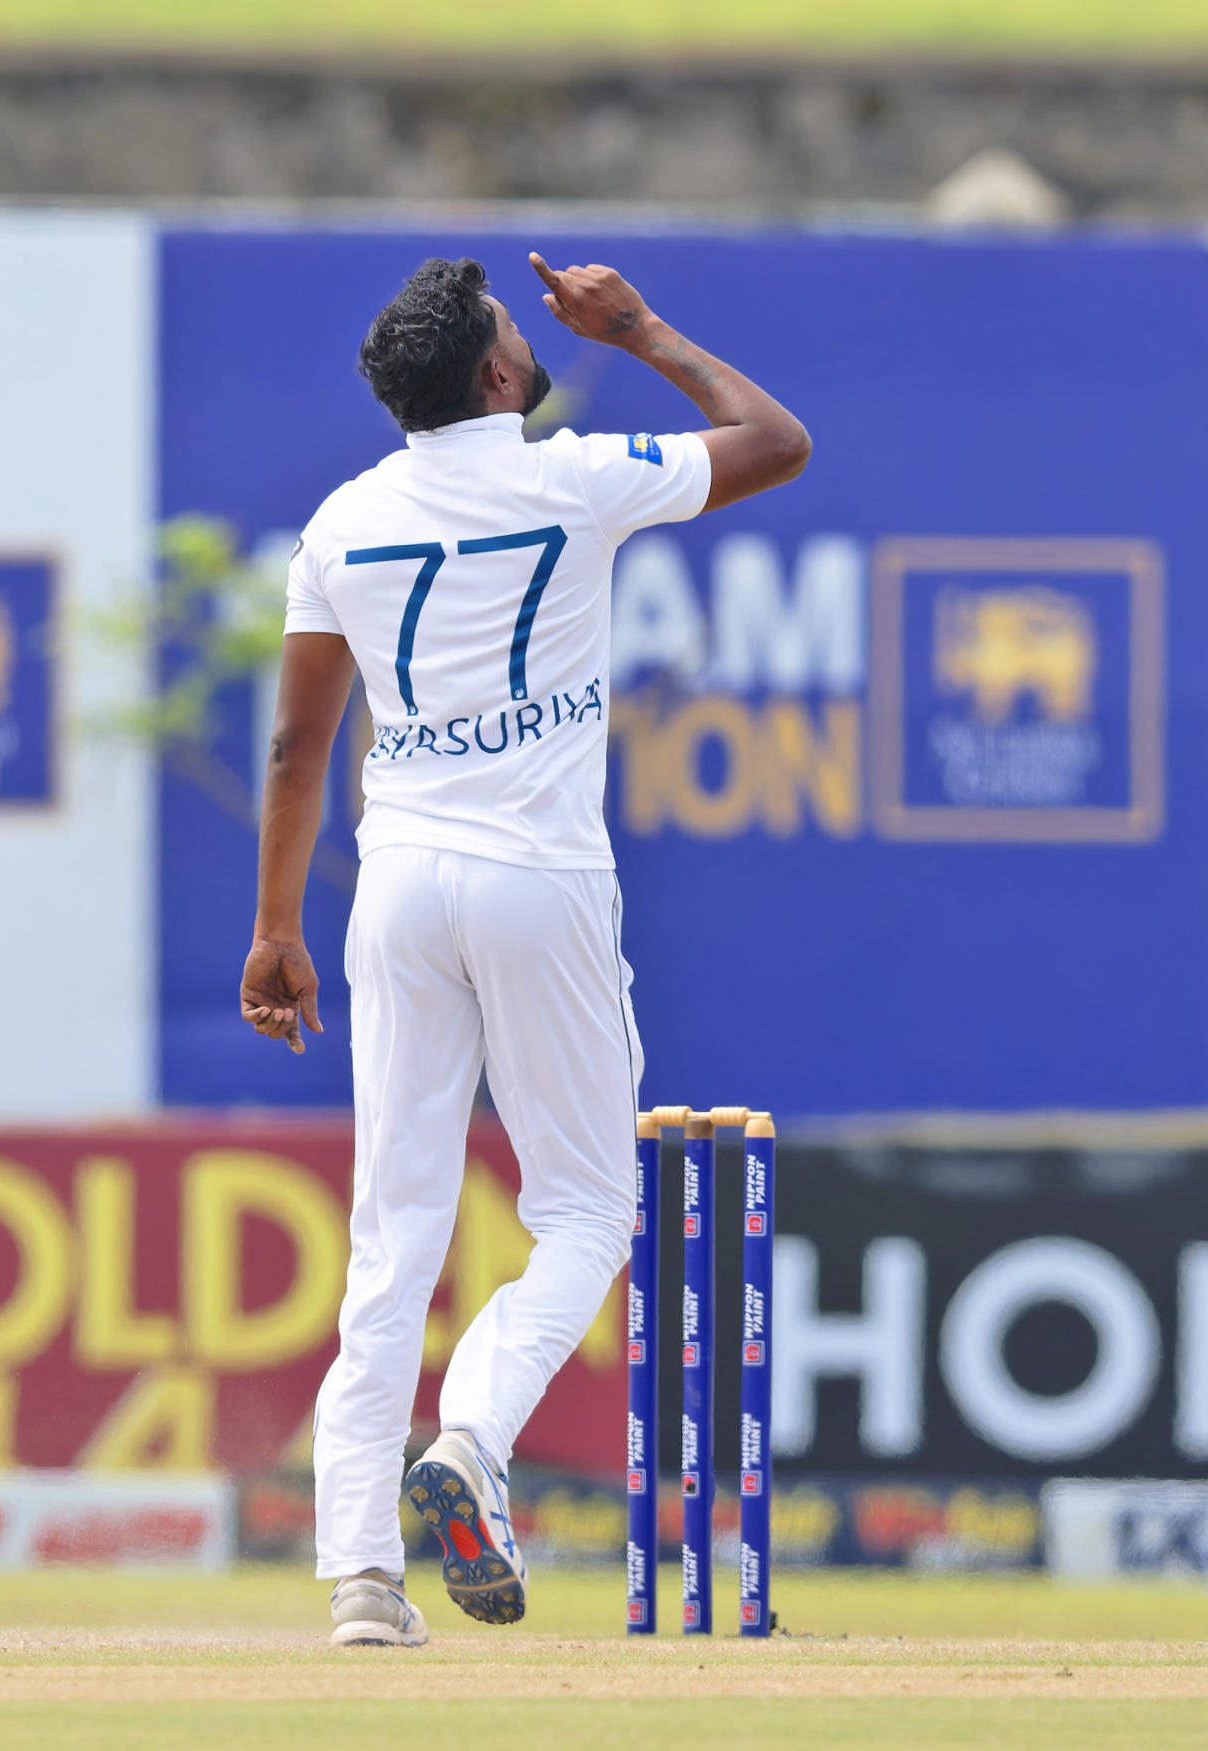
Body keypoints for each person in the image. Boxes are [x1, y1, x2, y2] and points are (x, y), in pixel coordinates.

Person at [239, 251, 811, 1647]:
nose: (531, 335)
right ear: (502, 377)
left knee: (394, 1236)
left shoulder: (341, 520)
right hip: (537, 879)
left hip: (397, 886)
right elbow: (778, 444)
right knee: (582, 1208)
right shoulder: (572, 479)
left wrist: (272, 931)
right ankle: (473, 1442)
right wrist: (641, 329)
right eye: (516, 329)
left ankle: (361, 1582)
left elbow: (297, 746)